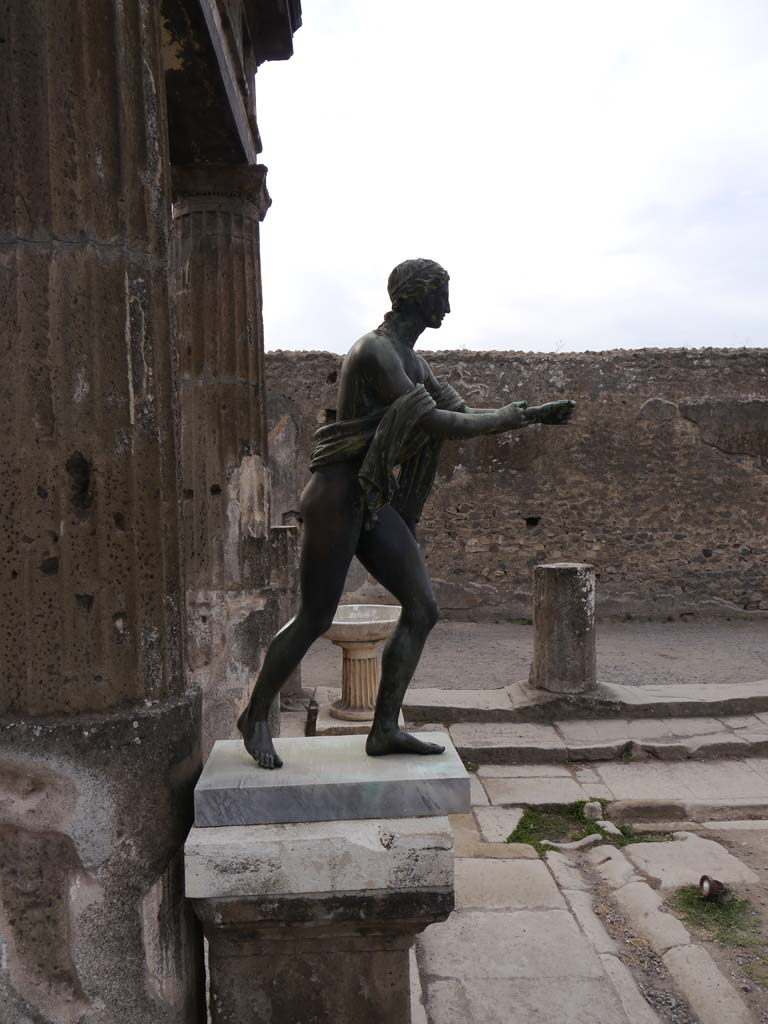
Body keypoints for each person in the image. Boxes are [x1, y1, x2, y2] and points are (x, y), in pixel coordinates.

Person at [238, 259, 575, 768]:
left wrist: (525, 416)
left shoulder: (414, 363)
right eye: (442, 294)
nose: (448, 305)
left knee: (423, 609)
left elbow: (459, 411)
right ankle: (256, 715)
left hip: (371, 498)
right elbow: (437, 421)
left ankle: (385, 728)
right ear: (417, 296)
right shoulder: (374, 352)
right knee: (315, 616)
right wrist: (505, 420)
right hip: (336, 495)